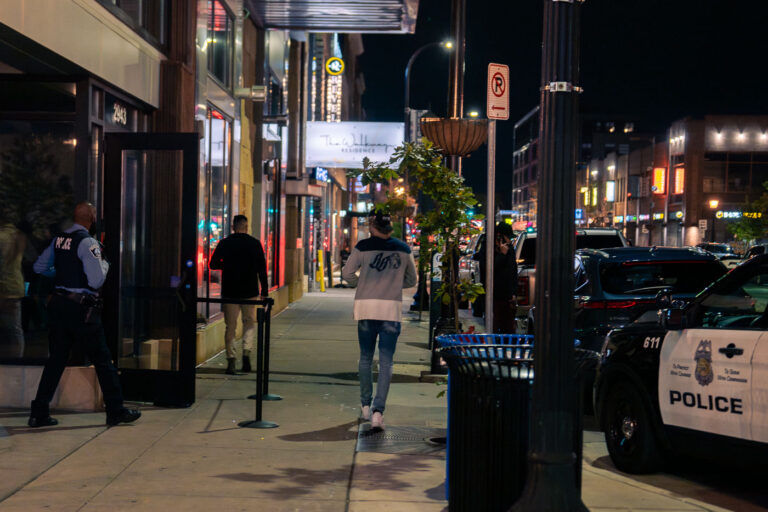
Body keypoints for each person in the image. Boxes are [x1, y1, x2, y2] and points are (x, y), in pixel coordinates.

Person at [28, 202, 141, 427]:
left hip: (59, 306)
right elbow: (96, 280)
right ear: (90, 219)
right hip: (81, 310)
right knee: (102, 360)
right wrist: (105, 263)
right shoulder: (88, 243)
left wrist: (61, 275)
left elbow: (39, 268)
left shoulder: (59, 240)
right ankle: (116, 410)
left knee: (56, 360)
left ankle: (39, 412)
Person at [341, 211, 417, 430]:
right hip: (390, 311)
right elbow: (412, 279)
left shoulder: (362, 247)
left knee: (365, 357)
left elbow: (347, 274)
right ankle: (378, 411)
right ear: (390, 229)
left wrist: (360, 283)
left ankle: (365, 405)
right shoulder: (403, 249)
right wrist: (393, 286)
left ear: (373, 227)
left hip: (365, 308)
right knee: (386, 361)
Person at [209, 215, 269, 375]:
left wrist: (228, 264)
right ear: (246, 227)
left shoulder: (225, 243)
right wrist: (264, 291)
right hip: (250, 291)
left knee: (231, 326)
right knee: (249, 323)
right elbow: (262, 269)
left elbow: (212, 263)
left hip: (230, 291)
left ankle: (231, 360)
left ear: (233, 227)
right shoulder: (255, 244)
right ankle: (246, 353)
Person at [0, 216, 26, 358]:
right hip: (15, 287)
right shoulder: (19, 235)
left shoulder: (1, 237)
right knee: (15, 330)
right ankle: (18, 360)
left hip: (2, 288)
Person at [490, 222, 518, 333]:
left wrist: (513, 292)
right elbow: (492, 270)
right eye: (507, 237)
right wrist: (502, 255)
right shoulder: (492, 250)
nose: (509, 241)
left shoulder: (510, 250)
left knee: (508, 328)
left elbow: (512, 272)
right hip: (496, 296)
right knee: (496, 326)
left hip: (507, 297)